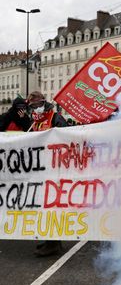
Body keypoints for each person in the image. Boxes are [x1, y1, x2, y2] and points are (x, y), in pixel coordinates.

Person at [27, 91, 67, 256]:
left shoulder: (55, 117)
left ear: (43, 103)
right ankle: (51, 240)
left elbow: (67, 135)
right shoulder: (35, 121)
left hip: (54, 169)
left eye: (36, 106)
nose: (34, 109)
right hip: (42, 170)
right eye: (32, 107)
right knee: (44, 207)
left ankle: (54, 243)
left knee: (51, 206)